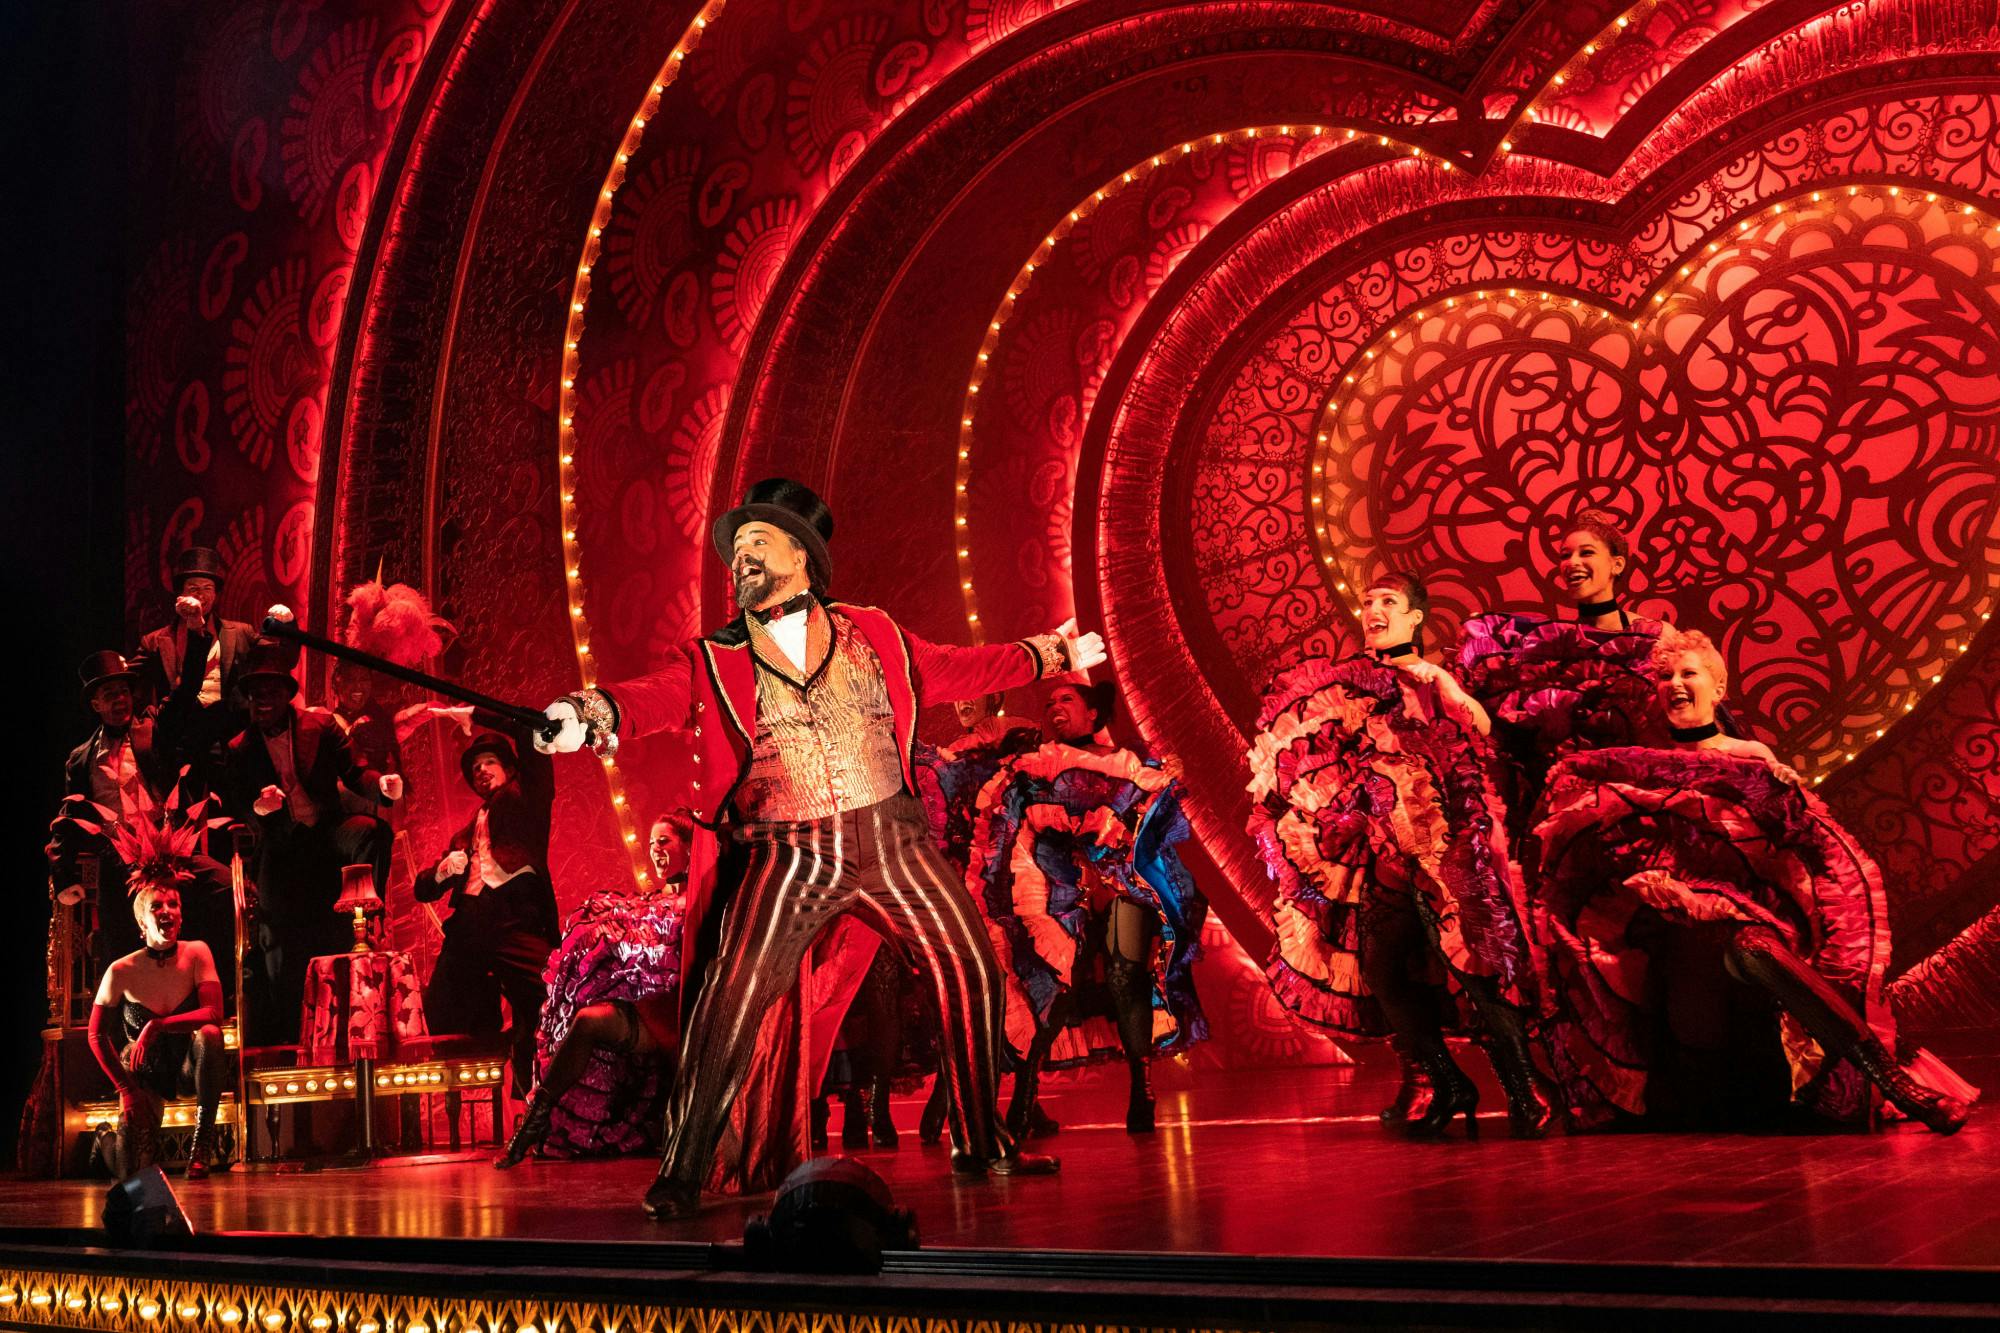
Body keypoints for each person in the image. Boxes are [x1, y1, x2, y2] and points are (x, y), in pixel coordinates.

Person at [538, 477, 1101, 1217]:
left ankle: (983, 1142)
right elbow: (654, 697)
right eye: (735, 551)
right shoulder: (716, 656)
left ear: (801, 555)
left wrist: (1047, 652)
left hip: (892, 840)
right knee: (731, 993)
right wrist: (590, 714)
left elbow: (964, 667)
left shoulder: (878, 633)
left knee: (968, 966)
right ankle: (686, 1167)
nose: (740, 560)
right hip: (788, 849)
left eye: (756, 544)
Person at [1532, 628, 1973, 1134]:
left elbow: (1805, 855)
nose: (1674, 684)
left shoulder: (1753, 759)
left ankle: (1895, 1083)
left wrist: (1786, 799)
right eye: (1664, 677)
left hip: (1749, 931)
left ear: (1718, 689)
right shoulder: (1637, 766)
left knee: (1751, 945)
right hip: (1673, 945)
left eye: (1688, 674)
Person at [1246, 573, 1554, 1138]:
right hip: (1378, 850)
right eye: (1367, 602)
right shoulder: (1343, 684)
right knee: (1382, 970)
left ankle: (1522, 1088)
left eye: (1388, 602)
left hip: (1444, 844)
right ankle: (1445, 1080)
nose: (1373, 611)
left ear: (1416, 618)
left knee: (1473, 965)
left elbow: (1483, 736)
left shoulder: (1434, 677)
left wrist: (1443, 685)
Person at [974, 679, 1208, 1138]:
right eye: (1049, 703)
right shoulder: (1033, 764)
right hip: (1061, 883)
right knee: (1049, 985)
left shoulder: (1126, 763)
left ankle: (1141, 1086)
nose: (1055, 708)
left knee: (1124, 975)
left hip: (1121, 879)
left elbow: (1151, 816)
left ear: (1094, 716)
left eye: (1067, 700)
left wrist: (1167, 777)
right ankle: (1025, 1098)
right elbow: (1012, 824)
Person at [492, 810, 694, 1170]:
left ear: (690, 846)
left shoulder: (698, 899)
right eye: (650, 844)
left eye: (664, 841)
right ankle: (535, 1120)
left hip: (677, 1019)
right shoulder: (650, 902)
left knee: (586, 1015)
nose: (655, 851)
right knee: (583, 1018)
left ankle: (537, 1121)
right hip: (644, 1010)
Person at [222, 637, 399, 1044]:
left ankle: (371, 914)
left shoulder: (320, 727)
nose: (263, 700)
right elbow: (235, 803)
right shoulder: (240, 748)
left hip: (324, 832)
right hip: (281, 846)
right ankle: (286, 1037)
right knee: (278, 942)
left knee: (373, 831)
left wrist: (383, 787)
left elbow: (357, 772)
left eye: (271, 691)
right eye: (255, 693)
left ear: (287, 693)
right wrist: (259, 810)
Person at [1455, 510, 1676, 835]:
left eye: (1586, 552)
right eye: (1565, 555)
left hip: (1636, 806)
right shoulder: (1548, 647)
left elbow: (1683, 721)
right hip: (1567, 809)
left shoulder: (1653, 637)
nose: (1572, 562)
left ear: (1617, 564)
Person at [416, 710, 560, 1094]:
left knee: (548, 995)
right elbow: (422, 889)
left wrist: (473, 714)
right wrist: (445, 872)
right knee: (438, 1009)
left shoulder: (526, 796)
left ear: (510, 767)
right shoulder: (466, 831)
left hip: (516, 916)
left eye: (489, 763)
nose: (480, 771)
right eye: (475, 767)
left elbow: (529, 726)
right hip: (469, 924)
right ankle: (447, 1093)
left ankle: (533, 1096)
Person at [86, 807, 229, 1180]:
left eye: (174, 904)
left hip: (186, 1069)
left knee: (211, 1037)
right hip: (143, 1075)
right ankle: (103, 1138)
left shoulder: (197, 952)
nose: (168, 911)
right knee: (132, 1174)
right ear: (141, 920)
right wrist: (126, 1089)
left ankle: (202, 1145)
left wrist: (159, 1026)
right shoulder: (121, 969)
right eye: (157, 906)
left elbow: (214, 1014)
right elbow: (96, 1034)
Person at [49, 652, 205, 974]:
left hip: (167, 854)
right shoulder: (82, 759)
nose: (120, 700)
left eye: (123, 691)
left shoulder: (154, 729)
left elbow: (186, 690)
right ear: (95, 705)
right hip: (119, 861)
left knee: (213, 891)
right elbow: (68, 817)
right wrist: (63, 877)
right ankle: (118, 1016)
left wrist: (197, 635)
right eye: (109, 695)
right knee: (116, 943)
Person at [130, 546, 258, 797]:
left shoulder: (241, 633)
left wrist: (286, 625)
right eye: (193, 589)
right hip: (180, 742)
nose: (201, 595)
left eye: (207, 588)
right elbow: (130, 684)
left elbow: (278, 658)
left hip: (228, 739)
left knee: (228, 812)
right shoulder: (155, 641)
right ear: (180, 594)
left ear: (217, 594)